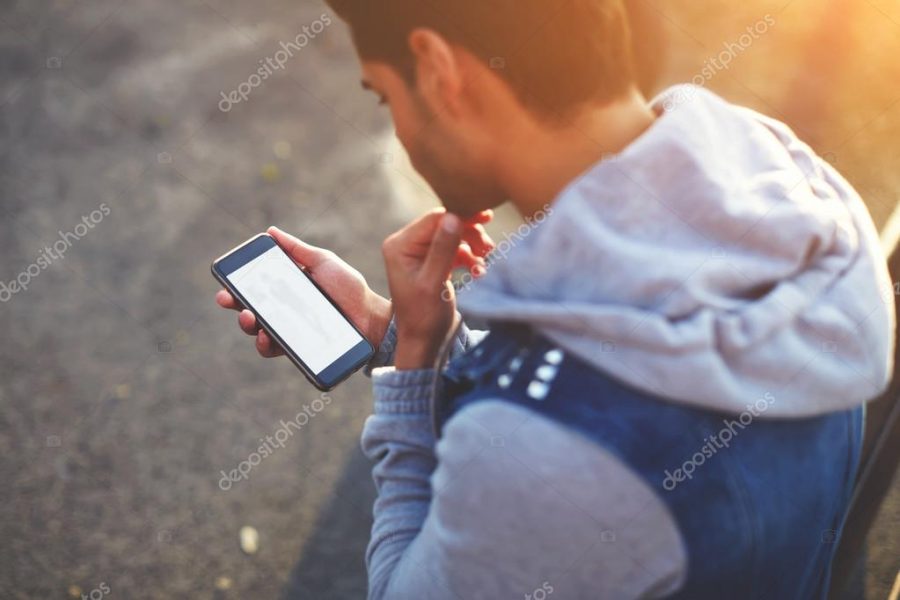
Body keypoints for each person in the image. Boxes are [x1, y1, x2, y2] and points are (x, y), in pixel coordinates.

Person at [215, 1, 896, 598]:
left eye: (385, 98)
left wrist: (413, 373)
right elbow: (627, 363)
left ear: (438, 71)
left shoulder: (555, 462)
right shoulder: (792, 191)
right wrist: (396, 330)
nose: (398, 127)